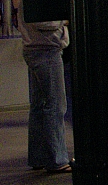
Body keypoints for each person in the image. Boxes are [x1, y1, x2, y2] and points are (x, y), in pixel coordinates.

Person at [21, 16, 71, 173]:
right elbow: (43, 22)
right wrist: (64, 20)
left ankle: (38, 157)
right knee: (55, 105)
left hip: (36, 48)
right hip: (46, 50)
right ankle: (57, 159)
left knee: (39, 105)